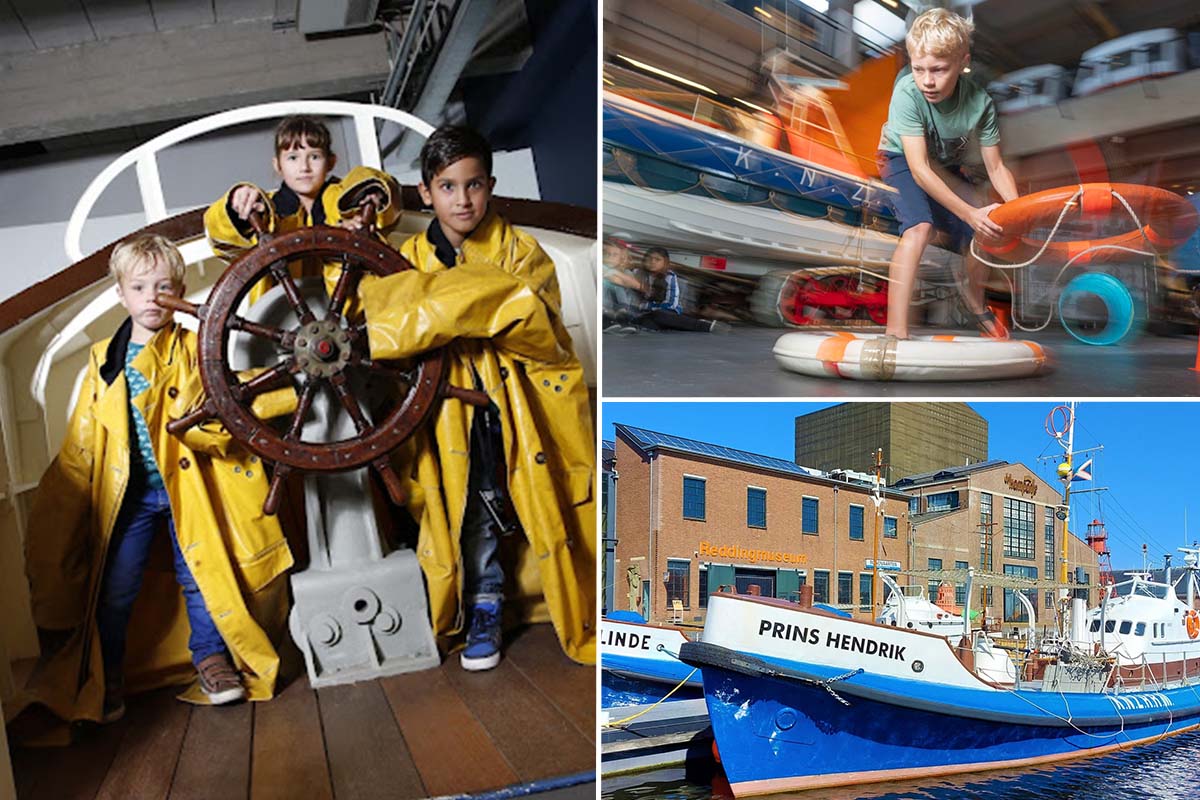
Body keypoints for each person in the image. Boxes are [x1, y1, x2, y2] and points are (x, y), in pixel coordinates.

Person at [18, 235, 295, 736]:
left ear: (179, 290)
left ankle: (211, 659)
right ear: (121, 294)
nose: (151, 297)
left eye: (163, 286)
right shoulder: (105, 359)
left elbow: (227, 401)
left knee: (202, 575)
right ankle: (109, 674)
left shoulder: (196, 346)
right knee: (117, 585)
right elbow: (87, 438)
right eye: (140, 287)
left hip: (192, 489)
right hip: (134, 494)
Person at [356, 125, 595, 670]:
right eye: (447, 187)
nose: (462, 200)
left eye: (473, 185)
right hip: (448, 414)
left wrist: (432, 310)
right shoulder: (408, 259)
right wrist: (471, 303)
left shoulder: (523, 252)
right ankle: (484, 606)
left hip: (521, 408)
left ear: (490, 185)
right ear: (425, 192)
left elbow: (534, 325)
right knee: (472, 512)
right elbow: (385, 327)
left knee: (538, 500)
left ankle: (568, 601)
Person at [877, 8, 1019, 339]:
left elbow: (996, 167)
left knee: (987, 230)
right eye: (919, 69)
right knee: (920, 228)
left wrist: (1019, 213)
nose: (927, 80)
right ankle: (895, 331)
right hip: (901, 157)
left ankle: (973, 300)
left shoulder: (980, 103)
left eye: (939, 70)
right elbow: (919, 169)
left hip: (943, 163)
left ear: (962, 62)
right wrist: (970, 213)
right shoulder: (908, 92)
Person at [205, 115, 402, 302]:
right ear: (278, 165)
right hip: (275, 318)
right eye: (293, 158)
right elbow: (221, 238)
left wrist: (369, 190)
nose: (304, 167)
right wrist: (236, 203)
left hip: (347, 312)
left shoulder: (344, 200)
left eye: (314, 156)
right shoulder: (266, 213)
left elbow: (377, 190)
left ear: (331, 162)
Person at [635, 246, 731, 333]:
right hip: (646, 313)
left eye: (657, 259)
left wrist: (646, 306)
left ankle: (704, 326)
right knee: (646, 322)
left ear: (665, 262)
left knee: (659, 315)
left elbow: (671, 304)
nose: (653, 262)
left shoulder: (670, 277)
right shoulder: (639, 273)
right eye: (650, 258)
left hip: (667, 312)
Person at [602, 237, 645, 333]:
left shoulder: (625, 272)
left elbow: (637, 286)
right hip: (604, 306)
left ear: (621, 258)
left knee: (618, 284)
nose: (609, 258)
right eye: (606, 254)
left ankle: (622, 315)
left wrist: (614, 272)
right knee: (606, 283)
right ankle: (606, 317)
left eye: (614, 255)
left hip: (622, 307)